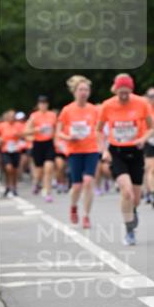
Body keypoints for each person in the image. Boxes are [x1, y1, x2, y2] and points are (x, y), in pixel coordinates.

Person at [96, 74, 153, 246]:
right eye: (121, 91)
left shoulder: (142, 103)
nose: (123, 95)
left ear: (131, 89)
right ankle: (129, 231)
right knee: (126, 191)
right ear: (115, 89)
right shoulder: (107, 105)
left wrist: (143, 139)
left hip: (135, 152)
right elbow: (98, 131)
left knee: (135, 198)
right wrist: (104, 150)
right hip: (117, 152)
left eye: (126, 91)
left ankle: (133, 210)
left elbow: (151, 127)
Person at [56, 76, 101, 228]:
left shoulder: (94, 110)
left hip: (91, 149)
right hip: (74, 151)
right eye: (81, 90)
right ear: (74, 92)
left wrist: (104, 148)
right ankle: (73, 206)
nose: (84, 92)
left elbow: (100, 130)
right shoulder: (67, 110)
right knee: (77, 186)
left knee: (88, 182)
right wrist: (69, 137)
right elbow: (59, 133)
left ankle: (87, 216)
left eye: (86, 90)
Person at [26, 96, 57, 200]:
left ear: (47, 104)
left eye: (45, 103)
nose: (43, 105)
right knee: (39, 170)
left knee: (49, 168)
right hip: (38, 144)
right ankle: (36, 183)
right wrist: (36, 130)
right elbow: (25, 131)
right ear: (38, 105)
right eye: (41, 103)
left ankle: (47, 192)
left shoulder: (52, 115)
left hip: (49, 143)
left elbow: (57, 129)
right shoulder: (34, 116)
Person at [0, 109, 25, 196]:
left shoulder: (19, 125)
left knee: (15, 170)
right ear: (7, 117)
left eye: (13, 116)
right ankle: (8, 185)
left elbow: (24, 135)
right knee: (8, 169)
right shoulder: (2, 125)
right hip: (5, 150)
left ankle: (14, 187)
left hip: (16, 150)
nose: (12, 118)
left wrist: (19, 135)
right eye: (10, 116)